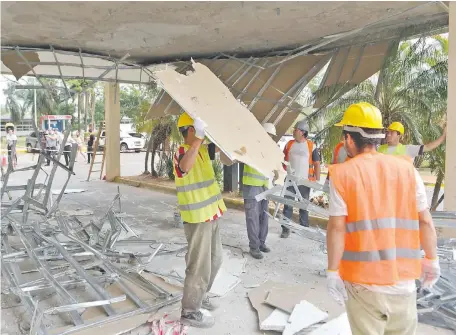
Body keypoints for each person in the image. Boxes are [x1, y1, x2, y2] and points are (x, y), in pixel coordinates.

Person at [326, 102, 440, 335]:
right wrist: (432, 259)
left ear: (349, 139)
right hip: (404, 285)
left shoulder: (343, 174)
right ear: (378, 136)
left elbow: (337, 228)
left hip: (363, 286)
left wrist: (332, 271)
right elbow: (426, 221)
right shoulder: (408, 170)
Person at [174, 112, 227, 328]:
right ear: (190, 130)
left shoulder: (203, 150)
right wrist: (198, 139)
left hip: (212, 214)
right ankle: (189, 311)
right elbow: (184, 167)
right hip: (197, 219)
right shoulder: (182, 152)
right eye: (198, 130)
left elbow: (227, 158)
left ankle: (201, 295)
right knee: (199, 265)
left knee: (216, 259)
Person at [280, 120, 321, 237]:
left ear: (303, 132)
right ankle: (285, 229)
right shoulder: (289, 144)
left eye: (295, 129)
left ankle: (304, 228)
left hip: (305, 182)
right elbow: (283, 159)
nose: (293, 131)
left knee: (304, 206)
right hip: (290, 180)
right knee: (288, 204)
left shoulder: (311, 146)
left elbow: (317, 163)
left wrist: (317, 181)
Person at [242, 123, 276, 259]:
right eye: (268, 135)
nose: (270, 138)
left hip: (264, 186)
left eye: (271, 136)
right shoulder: (250, 145)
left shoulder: (269, 149)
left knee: (264, 216)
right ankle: (254, 246)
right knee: (253, 218)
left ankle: (261, 243)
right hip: (251, 187)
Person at [378, 121, 446, 158]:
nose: (388, 134)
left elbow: (428, 147)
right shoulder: (379, 149)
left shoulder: (407, 149)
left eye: (392, 132)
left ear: (399, 135)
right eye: (388, 132)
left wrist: (443, 136)